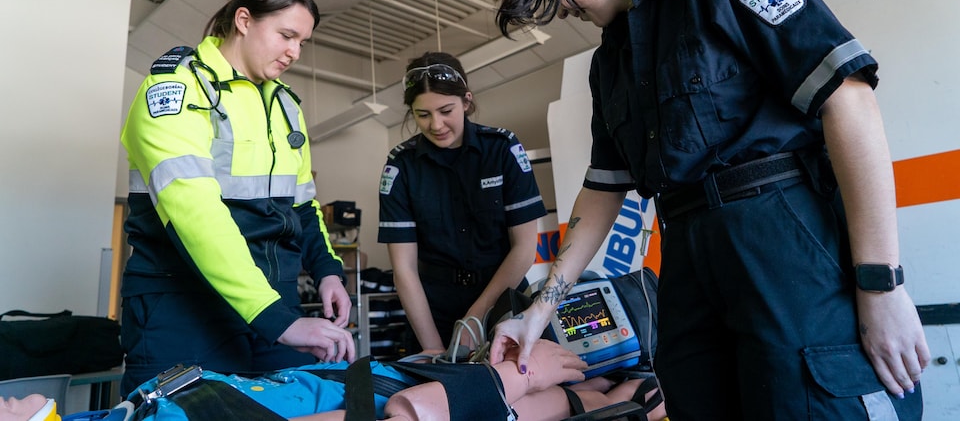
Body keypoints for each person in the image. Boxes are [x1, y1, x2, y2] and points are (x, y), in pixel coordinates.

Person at [489, 0, 931, 419]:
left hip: (781, 241)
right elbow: (603, 189)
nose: (562, 11)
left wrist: (881, 286)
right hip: (687, 257)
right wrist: (540, 310)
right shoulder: (610, 61)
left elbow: (850, 102)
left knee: (810, 402)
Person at [119, 0, 355, 395]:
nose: (294, 52)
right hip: (184, 309)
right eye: (286, 35)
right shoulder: (177, 88)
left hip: (272, 304)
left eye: (302, 42)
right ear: (244, 20)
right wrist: (276, 320)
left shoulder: (286, 106)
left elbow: (303, 205)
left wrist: (328, 272)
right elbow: (195, 214)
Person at [2, 341, 666, 421]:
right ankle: (623, 398)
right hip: (417, 400)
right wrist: (512, 377)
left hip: (386, 376)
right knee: (592, 395)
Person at [378, 52, 548, 353]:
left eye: (446, 111)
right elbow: (404, 269)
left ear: (466, 101)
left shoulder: (502, 149)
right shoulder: (401, 166)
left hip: (503, 299)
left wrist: (476, 315)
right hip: (432, 310)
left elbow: (524, 248)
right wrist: (433, 349)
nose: (436, 124)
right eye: (423, 114)